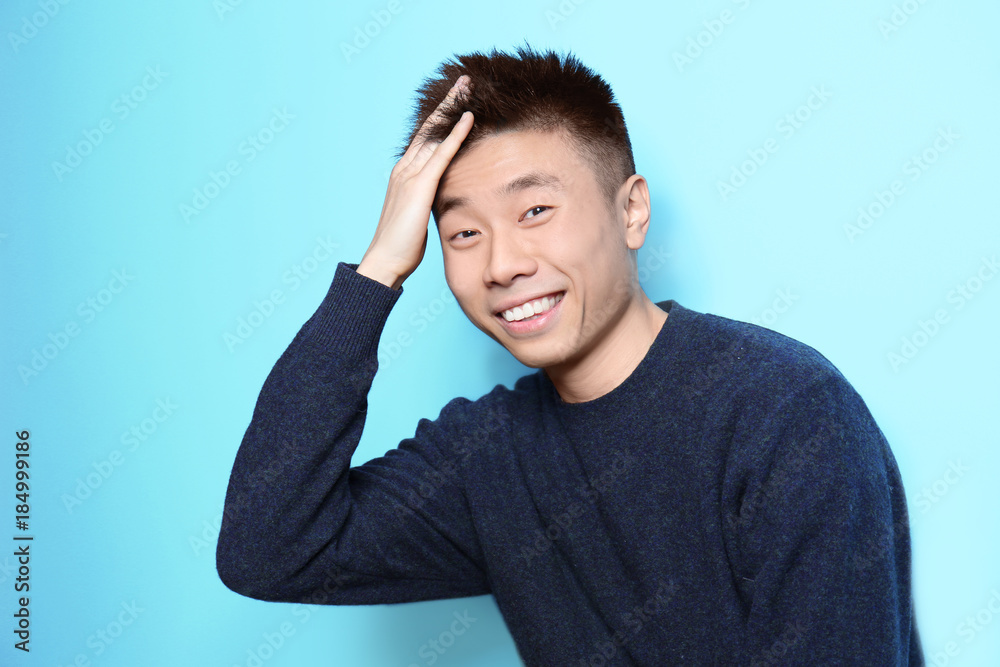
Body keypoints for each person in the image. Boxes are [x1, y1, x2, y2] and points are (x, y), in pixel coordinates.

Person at [216, 45, 923, 664]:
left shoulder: (787, 412)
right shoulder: (485, 457)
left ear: (631, 210)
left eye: (534, 211)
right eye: (462, 233)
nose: (502, 264)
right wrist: (377, 273)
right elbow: (270, 549)